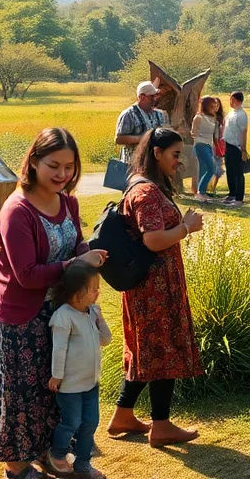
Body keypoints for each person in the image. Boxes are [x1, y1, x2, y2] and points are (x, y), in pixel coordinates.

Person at [0, 128, 107, 479]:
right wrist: (75, 266)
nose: (62, 174)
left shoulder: (68, 201)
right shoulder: (17, 211)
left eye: (69, 166)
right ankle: (16, 465)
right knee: (22, 390)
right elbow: (26, 274)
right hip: (21, 314)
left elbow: (76, 244)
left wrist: (87, 256)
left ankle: (49, 453)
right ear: (34, 162)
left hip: (61, 310)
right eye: (53, 165)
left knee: (55, 384)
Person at [104, 128, 205, 447]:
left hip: (152, 285)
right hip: (154, 289)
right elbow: (153, 239)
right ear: (157, 153)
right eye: (175, 154)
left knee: (146, 351)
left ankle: (123, 416)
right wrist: (186, 227)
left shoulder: (140, 185)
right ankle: (161, 426)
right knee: (162, 350)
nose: (180, 160)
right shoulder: (146, 193)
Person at [45, 262, 112, 479]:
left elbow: (106, 339)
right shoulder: (64, 316)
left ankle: (83, 464)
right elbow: (59, 348)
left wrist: (99, 317)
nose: (97, 291)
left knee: (90, 422)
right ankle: (57, 454)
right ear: (76, 292)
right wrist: (56, 376)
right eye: (92, 287)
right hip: (70, 386)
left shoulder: (90, 313)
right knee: (72, 422)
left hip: (90, 383)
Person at [115, 81, 166, 164]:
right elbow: (119, 139)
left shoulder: (159, 114)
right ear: (142, 97)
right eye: (152, 96)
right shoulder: (129, 114)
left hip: (154, 163)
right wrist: (143, 139)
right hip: (132, 163)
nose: (155, 99)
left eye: (156, 96)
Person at [190, 96, 223, 203]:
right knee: (212, 168)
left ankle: (201, 193)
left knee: (203, 169)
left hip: (209, 145)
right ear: (206, 106)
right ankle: (200, 191)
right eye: (212, 106)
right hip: (200, 144)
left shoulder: (213, 117)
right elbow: (193, 133)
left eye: (215, 106)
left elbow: (215, 135)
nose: (214, 108)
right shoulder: (199, 117)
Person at [222, 92, 250, 207]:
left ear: (235, 100)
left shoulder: (241, 114)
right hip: (227, 144)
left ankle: (239, 198)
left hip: (236, 146)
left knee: (238, 172)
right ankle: (232, 193)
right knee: (230, 170)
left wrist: (243, 149)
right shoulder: (231, 112)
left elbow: (244, 132)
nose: (230, 102)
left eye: (231, 99)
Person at [207, 97, 227, 199]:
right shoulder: (207, 117)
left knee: (218, 168)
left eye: (218, 105)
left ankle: (212, 189)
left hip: (219, 144)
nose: (216, 107)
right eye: (214, 105)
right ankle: (207, 189)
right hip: (211, 144)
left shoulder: (221, 118)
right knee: (210, 167)